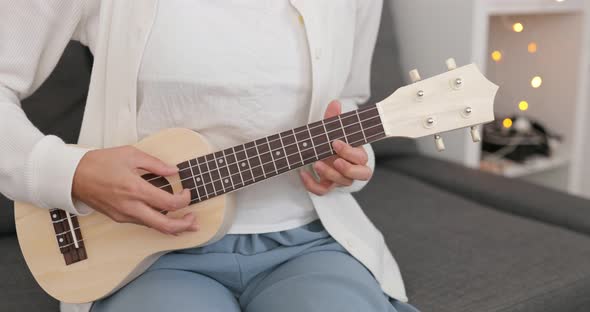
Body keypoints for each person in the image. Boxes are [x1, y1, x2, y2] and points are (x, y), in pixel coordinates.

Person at [0, 1, 418, 311]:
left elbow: (346, 103)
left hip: (309, 244)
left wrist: (350, 165)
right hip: (143, 254)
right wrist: (69, 174)